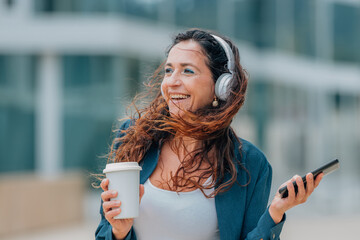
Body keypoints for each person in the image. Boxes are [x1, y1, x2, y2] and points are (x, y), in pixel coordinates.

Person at [95, 28, 323, 240]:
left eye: (187, 71)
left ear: (221, 85)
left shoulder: (250, 163)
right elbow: (104, 232)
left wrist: (274, 213)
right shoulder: (134, 138)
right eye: (168, 70)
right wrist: (118, 231)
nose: (172, 82)